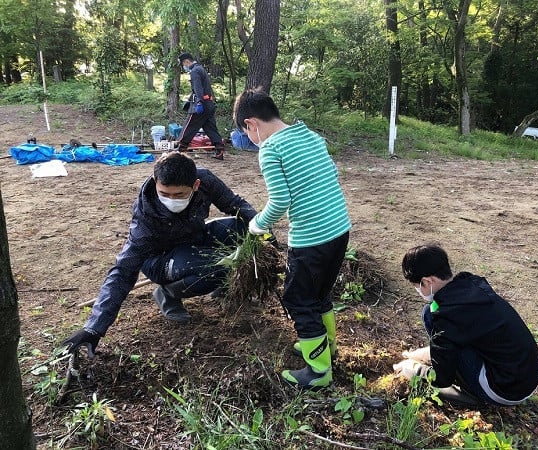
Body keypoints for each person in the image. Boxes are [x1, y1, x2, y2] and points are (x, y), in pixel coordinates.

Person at [62, 152, 257, 356]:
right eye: (165, 194)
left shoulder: (206, 180)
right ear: (156, 182)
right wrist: (94, 327)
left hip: (195, 237)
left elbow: (236, 204)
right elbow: (123, 271)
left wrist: (264, 232)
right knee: (215, 267)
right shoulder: (146, 217)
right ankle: (168, 293)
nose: (170, 200)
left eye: (179, 195)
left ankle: (223, 286)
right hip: (161, 260)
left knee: (244, 228)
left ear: (196, 185)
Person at [232, 88, 352, 389]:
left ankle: (319, 371)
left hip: (312, 238)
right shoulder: (309, 135)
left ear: (251, 124)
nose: (251, 140)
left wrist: (256, 225)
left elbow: (280, 201)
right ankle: (327, 346)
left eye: (247, 134)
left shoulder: (270, 149)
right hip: (339, 229)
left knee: (298, 300)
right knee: (319, 294)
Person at [395, 244, 538, 406]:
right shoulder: (473, 284)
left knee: (432, 319)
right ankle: (458, 368)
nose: (417, 290)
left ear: (427, 281)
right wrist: (419, 354)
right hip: (526, 376)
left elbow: (441, 379)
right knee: (429, 314)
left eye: (417, 286)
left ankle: (469, 394)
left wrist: (412, 369)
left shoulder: (446, 315)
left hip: (504, 390)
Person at [177, 52, 225, 160]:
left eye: (183, 64)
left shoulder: (194, 71)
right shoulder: (201, 68)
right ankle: (219, 150)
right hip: (209, 103)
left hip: (201, 104)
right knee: (210, 127)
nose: (184, 66)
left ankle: (181, 150)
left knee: (189, 125)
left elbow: (198, 88)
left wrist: (199, 102)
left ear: (187, 62)